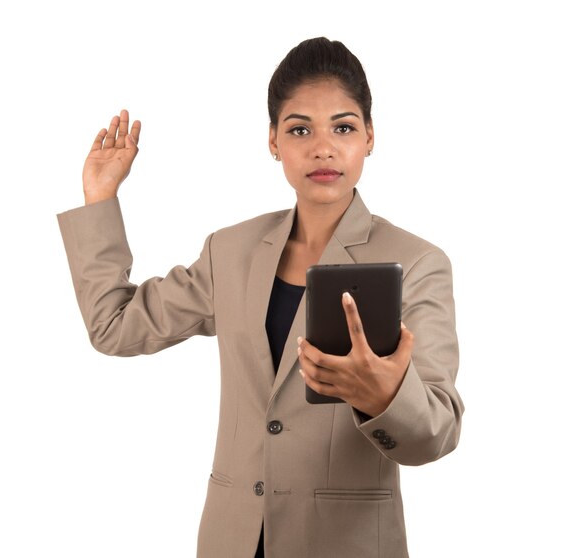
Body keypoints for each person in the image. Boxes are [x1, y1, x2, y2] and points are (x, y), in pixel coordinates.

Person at [58, 37, 463, 558]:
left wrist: (384, 395)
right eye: (300, 129)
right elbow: (114, 327)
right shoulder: (231, 251)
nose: (323, 147)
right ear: (273, 141)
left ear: (370, 138)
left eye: (343, 127)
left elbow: (437, 432)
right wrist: (100, 198)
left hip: (348, 544)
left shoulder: (418, 263)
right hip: (232, 540)